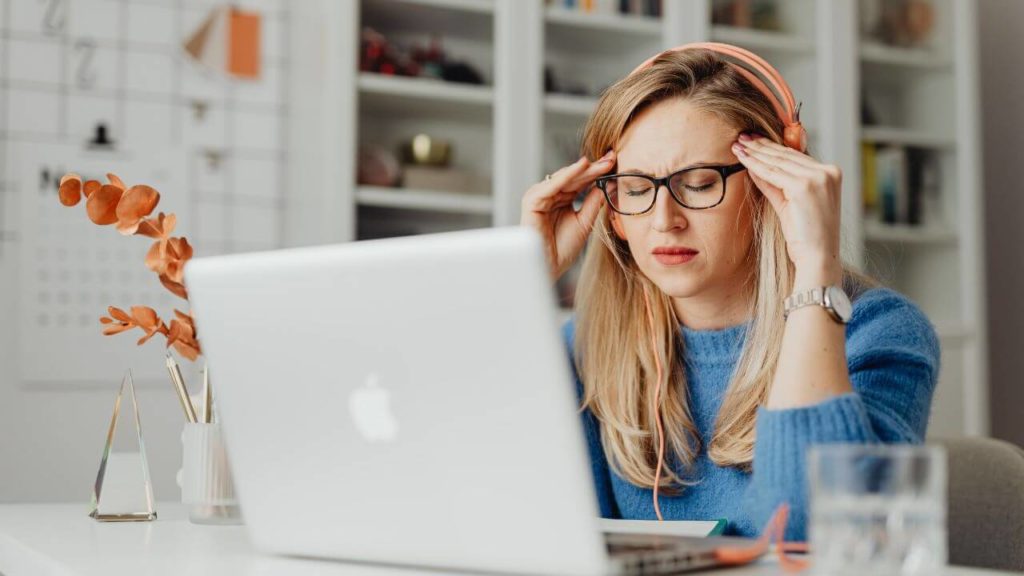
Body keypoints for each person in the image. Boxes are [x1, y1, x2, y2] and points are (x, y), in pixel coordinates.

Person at [519, 44, 940, 540]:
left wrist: (814, 271)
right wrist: (523, 283)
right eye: (634, 190)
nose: (663, 221)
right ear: (611, 210)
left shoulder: (879, 333)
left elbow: (809, 536)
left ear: (772, 186)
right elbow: (524, 521)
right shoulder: (587, 346)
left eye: (698, 184)